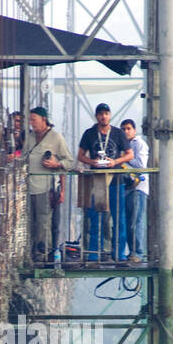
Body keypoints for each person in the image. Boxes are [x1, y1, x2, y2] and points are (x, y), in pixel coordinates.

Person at [76, 103, 132, 262]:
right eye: (100, 114)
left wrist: (115, 162)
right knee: (95, 218)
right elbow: (80, 155)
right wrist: (92, 162)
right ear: (96, 116)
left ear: (110, 115)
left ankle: (119, 254)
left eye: (106, 113)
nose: (103, 116)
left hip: (116, 180)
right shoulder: (89, 133)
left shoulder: (118, 133)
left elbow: (129, 154)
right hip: (97, 181)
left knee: (118, 218)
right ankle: (94, 254)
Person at [22, 106, 75, 265]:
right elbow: (24, 157)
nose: (32, 123)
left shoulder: (56, 138)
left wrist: (56, 164)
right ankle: (30, 254)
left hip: (46, 187)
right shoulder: (30, 138)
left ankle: (42, 255)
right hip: (28, 188)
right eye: (30, 120)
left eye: (34, 120)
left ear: (44, 120)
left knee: (44, 223)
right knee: (30, 224)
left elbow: (70, 162)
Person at [120, 118, 149, 263]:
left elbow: (141, 165)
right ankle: (131, 252)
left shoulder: (139, 144)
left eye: (128, 128)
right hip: (126, 187)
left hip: (139, 187)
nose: (126, 131)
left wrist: (124, 159)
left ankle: (138, 252)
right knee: (126, 221)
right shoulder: (124, 146)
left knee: (136, 221)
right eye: (123, 129)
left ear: (134, 130)